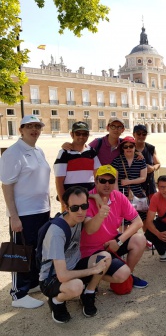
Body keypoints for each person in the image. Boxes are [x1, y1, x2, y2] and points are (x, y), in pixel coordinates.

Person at [39, 186, 111, 323]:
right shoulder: (56, 233)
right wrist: (93, 270)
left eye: (84, 206)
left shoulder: (77, 218)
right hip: (52, 278)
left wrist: (97, 202)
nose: (80, 211)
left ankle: (88, 293)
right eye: (75, 208)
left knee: (105, 258)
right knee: (76, 286)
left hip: (74, 266)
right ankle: (56, 301)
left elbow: (91, 230)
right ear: (66, 207)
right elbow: (63, 275)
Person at [0, 115, 50, 309]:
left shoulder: (39, 150)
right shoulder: (13, 153)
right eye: (29, 126)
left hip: (41, 210)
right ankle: (18, 294)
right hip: (24, 212)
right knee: (20, 251)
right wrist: (14, 216)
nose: (34, 129)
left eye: (37, 126)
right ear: (21, 129)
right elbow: (7, 186)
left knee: (36, 250)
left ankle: (31, 284)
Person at [80, 165, 148, 289]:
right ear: (95, 181)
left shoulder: (118, 196)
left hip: (112, 243)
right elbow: (89, 230)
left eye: (111, 181)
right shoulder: (86, 199)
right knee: (121, 274)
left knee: (140, 239)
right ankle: (90, 278)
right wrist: (100, 213)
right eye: (102, 180)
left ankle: (129, 275)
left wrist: (119, 241)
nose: (107, 184)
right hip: (91, 251)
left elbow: (138, 222)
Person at [54, 121, 101, 209]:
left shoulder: (92, 152)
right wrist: (64, 204)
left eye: (85, 134)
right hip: (71, 202)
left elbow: (97, 176)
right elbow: (59, 182)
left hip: (90, 199)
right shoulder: (64, 153)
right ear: (72, 135)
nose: (81, 136)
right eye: (78, 133)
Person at [111, 136, 147, 201]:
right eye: (126, 147)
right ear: (123, 148)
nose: (128, 148)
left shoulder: (141, 160)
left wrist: (129, 182)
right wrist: (118, 196)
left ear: (134, 147)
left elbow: (143, 178)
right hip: (122, 195)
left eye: (131, 146)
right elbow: (114, 180)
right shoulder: (117, 161)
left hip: (137, 195)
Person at [133, 124, 161, 202]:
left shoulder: (150, 148)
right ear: (133, 134)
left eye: (144, 134)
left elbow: (158, 164)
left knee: (151, 210)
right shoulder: (128, 147)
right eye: (138, 133)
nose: (141, 136)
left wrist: (152, 168)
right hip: (134, 186)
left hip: (149, 186)